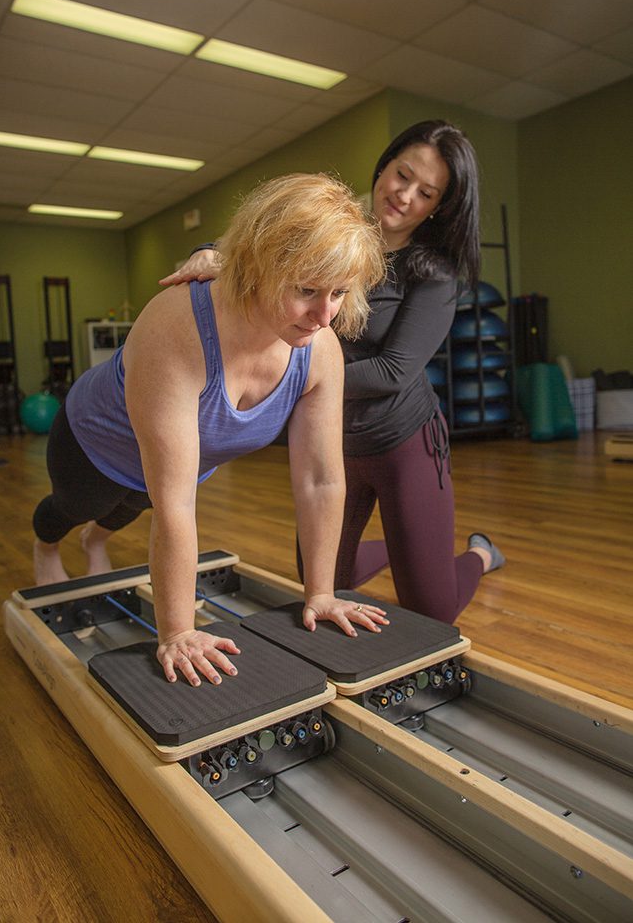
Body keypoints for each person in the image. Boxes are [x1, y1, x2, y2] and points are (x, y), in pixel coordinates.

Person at [32, 173, 389, 686]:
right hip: (94, 442)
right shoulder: (177, 327)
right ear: (257, 267)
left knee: (132, 508)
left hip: (170, 466)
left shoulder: (319, 350)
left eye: (338, 293)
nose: (322, 315)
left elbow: (321, 480)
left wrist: (322, 593)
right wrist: (177, 632)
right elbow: (177, 505)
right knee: (80, 505)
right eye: (306, 290)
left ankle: (96, 545)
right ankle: (46, 546)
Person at [163, 120, 505, 625]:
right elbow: (251, 241)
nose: (404, 196)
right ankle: (402, 545)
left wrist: (295, 382)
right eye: (401, 174)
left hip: (403, 438)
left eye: (425, 192)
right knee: (320, 577)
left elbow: (392, 371)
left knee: (433, 610)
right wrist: (208, 254)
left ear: (439, 206)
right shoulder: (332, 227)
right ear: (384, 165)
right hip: (335, 436)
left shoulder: (433, 271)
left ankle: (478, 554)